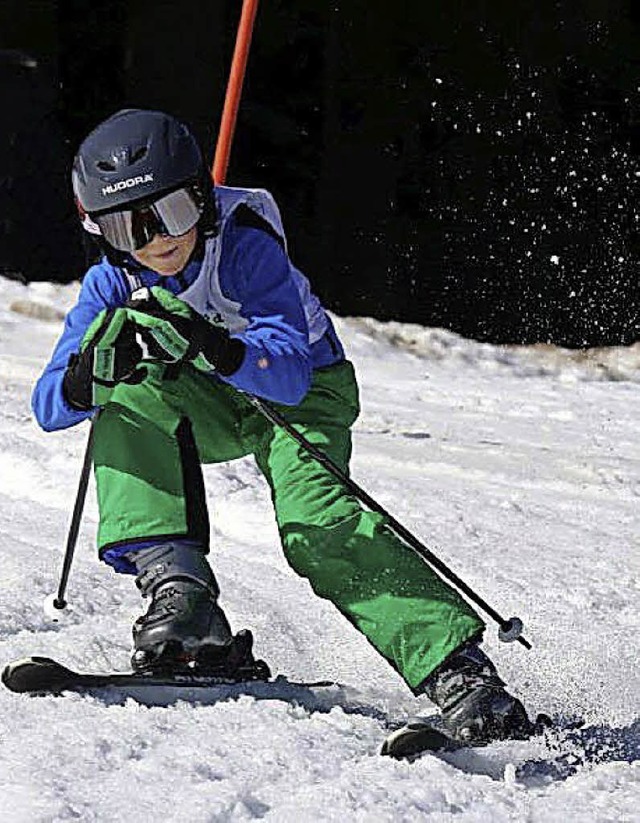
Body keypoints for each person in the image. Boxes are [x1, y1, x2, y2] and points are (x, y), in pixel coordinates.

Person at [32, 108, 534, 745]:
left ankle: (462, 678)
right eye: (129, 226)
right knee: (122, 381)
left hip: (302, 396)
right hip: (210, 400)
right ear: (98, 231)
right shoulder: (111, 282)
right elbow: (49, 407)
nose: (159, 239)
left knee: (315, 527)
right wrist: (90, 377)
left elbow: (290, 374)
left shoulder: (242, 247)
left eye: (177, 213)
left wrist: (219, 348)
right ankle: (183, 602)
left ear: (202, 198)